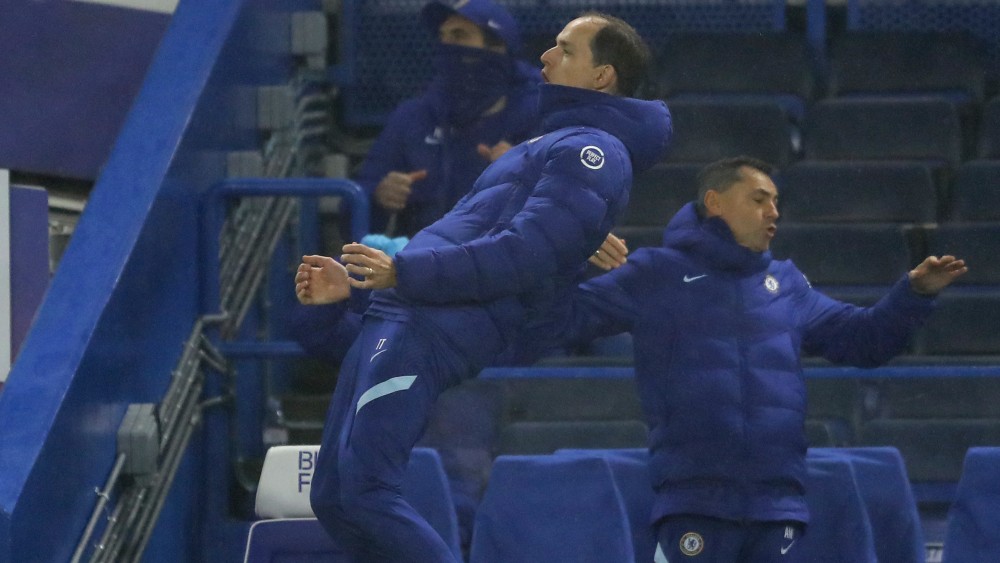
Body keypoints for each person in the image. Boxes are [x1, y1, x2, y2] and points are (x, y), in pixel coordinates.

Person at [297, 12, 672, 562]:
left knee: (365, 489)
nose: (545, 57)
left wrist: (405, 274)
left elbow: (523, 255)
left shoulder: (593, 153)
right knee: (333, 494)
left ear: (602, 77)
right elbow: (476, 237)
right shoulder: (546, 144)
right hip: (404, 312)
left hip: (431, 323)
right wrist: (356, 292)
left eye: (565, 49)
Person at [554, 156, 967, 562]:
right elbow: (562, 319)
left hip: (777, 507)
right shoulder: (655, 274)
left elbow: (863, 341)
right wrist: (567, 256)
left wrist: (914, 294)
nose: (773, 212)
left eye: (775, 202)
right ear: (715, 203)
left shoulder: (786, 284)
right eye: (758, 199)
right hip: (693, 502)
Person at [355, 0, 542, 237]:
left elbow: (572, 209)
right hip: (422, 263)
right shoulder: (413, 117)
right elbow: (353, 211)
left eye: (459, 35)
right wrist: (379, 196)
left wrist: (526, 175)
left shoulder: (543, 117)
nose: (447, 46)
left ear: (497, 48)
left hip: (511, 264)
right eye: (443, 36)